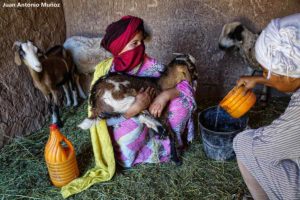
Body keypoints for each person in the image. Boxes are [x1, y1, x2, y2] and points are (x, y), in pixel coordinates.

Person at [93, 16, 196, 168]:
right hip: (127, 123)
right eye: (134, 43)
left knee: (182, 103)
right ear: (119, 48)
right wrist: (135, 109)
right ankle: (142, 151)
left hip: (157, 116)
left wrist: (164, 96)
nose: (140, 47)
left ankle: (169, 145)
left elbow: (185, 86)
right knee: (131, 127)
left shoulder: (152, 66)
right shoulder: (105, 73)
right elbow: (100, 119)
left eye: (141, 42)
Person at [233, 13, 300, 200]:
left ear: (288, 75)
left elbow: (264, 148)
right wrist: (261, 80)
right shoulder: (294, 72)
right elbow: (291, 78)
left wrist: (251, 133)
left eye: (266, 71)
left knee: (244, 143)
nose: (265, 75)